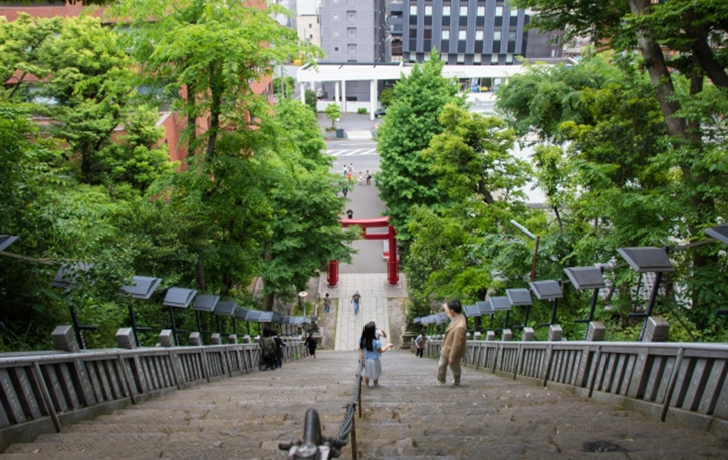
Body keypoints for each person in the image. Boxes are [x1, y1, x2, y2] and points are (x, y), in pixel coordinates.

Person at [437, 300, 467, 386]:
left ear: (452, 311)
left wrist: (452, 356)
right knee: (441, 365)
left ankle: (457, 381)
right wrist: (446, 308)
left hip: (453, 350)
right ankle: (441, 381)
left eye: (449, 309)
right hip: (446, 347)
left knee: (455, 367)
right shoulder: (457, 317)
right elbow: (450, 316)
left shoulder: (460, 326)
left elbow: (457, 343)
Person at [359, 322, 394, 387]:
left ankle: (367, 384)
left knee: (367, 374)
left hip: (366, 360)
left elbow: (361, 350)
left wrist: (361, 358)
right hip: (374, 360)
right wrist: (388, 345)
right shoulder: (376, 342)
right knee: (375, 374)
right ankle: (375, 384)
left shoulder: (362, 340)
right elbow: (381, 351)